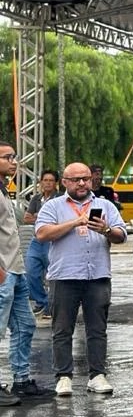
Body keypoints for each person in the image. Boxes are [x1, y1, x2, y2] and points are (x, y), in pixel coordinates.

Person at [36, 161, 128, 396]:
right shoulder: (53, 205)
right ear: (64, 182)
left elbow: (122, 235)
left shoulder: (105, 205)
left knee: (97, 329)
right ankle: (63, 376)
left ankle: (97, 375)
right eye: (76, 179)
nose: (82, 183)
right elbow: (42, 233)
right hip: (64, 275)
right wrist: (74, 222)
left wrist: (106, 230)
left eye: (85, 178)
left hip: (97, 275)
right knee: (62, 329)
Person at [0, 143, 52, 403]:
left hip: (15, 269)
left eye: (14, 157)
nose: (13, 162)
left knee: (25, 325)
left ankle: (21, 380)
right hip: (2, 271)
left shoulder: (4, 190)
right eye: (7, 157)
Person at [23, 168, 58, 319]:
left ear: (56, 183)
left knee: (53, 275)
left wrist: (38, 216)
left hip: (52, 240)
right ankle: (42, 301)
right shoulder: (36, 199)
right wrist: (41, 218)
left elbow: (57, 219)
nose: (48, 183)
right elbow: (26, 218)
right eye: (45, 180)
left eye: (51, 180)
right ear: (40, 182)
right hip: (36, 240)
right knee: (31, 271)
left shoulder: (60, 199)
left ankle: (51, 305)